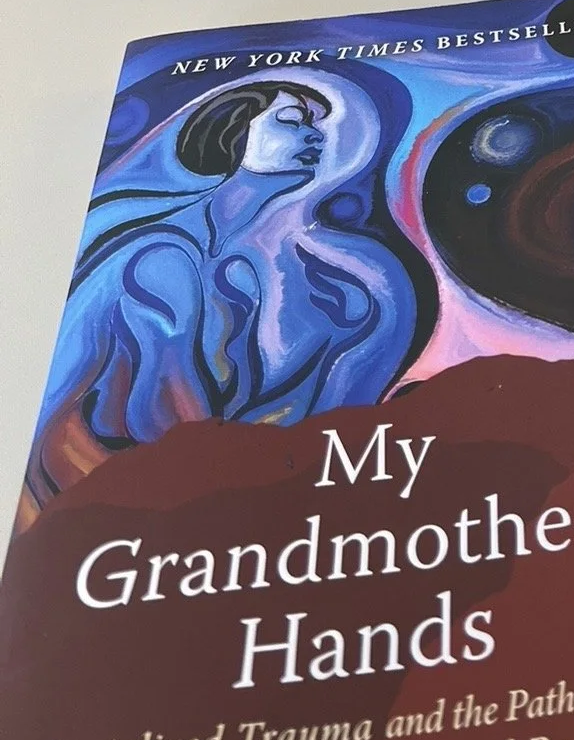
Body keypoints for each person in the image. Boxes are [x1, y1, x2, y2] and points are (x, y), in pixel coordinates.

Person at [21, 78, 417, 527]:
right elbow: (165, 423)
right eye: (290, 122)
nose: (315, 135)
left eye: (316, 125)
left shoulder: (276, 273)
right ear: (229, 135)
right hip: (114, 496)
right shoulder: (159, 257)